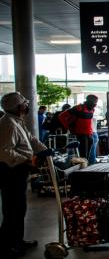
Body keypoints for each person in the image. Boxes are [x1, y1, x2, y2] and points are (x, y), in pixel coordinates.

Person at [0, 92, 47, 257]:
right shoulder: (8, 124)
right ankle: (7, 246)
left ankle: (17, 241)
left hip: (18, 170)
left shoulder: (16, 121)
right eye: (24, 104)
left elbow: (31, 139)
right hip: (11, 171)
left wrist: (45, 150)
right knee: (13, 209)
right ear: (19, 106)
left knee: (19, 209)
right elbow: (4, 152)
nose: (27, 107)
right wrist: (27, 161)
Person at [60, 95, 98, 160]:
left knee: (87, 155)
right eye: (94, 101)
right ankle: (82, 168)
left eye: (96, 102)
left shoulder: (92, 109)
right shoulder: (78, 108)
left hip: (89, 133)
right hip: (80, 133)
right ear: (89, 100)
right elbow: (61, 116)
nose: (95, 103)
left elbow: (88, 121)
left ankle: (85, 166)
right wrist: (67, 127)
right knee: (83, 154)